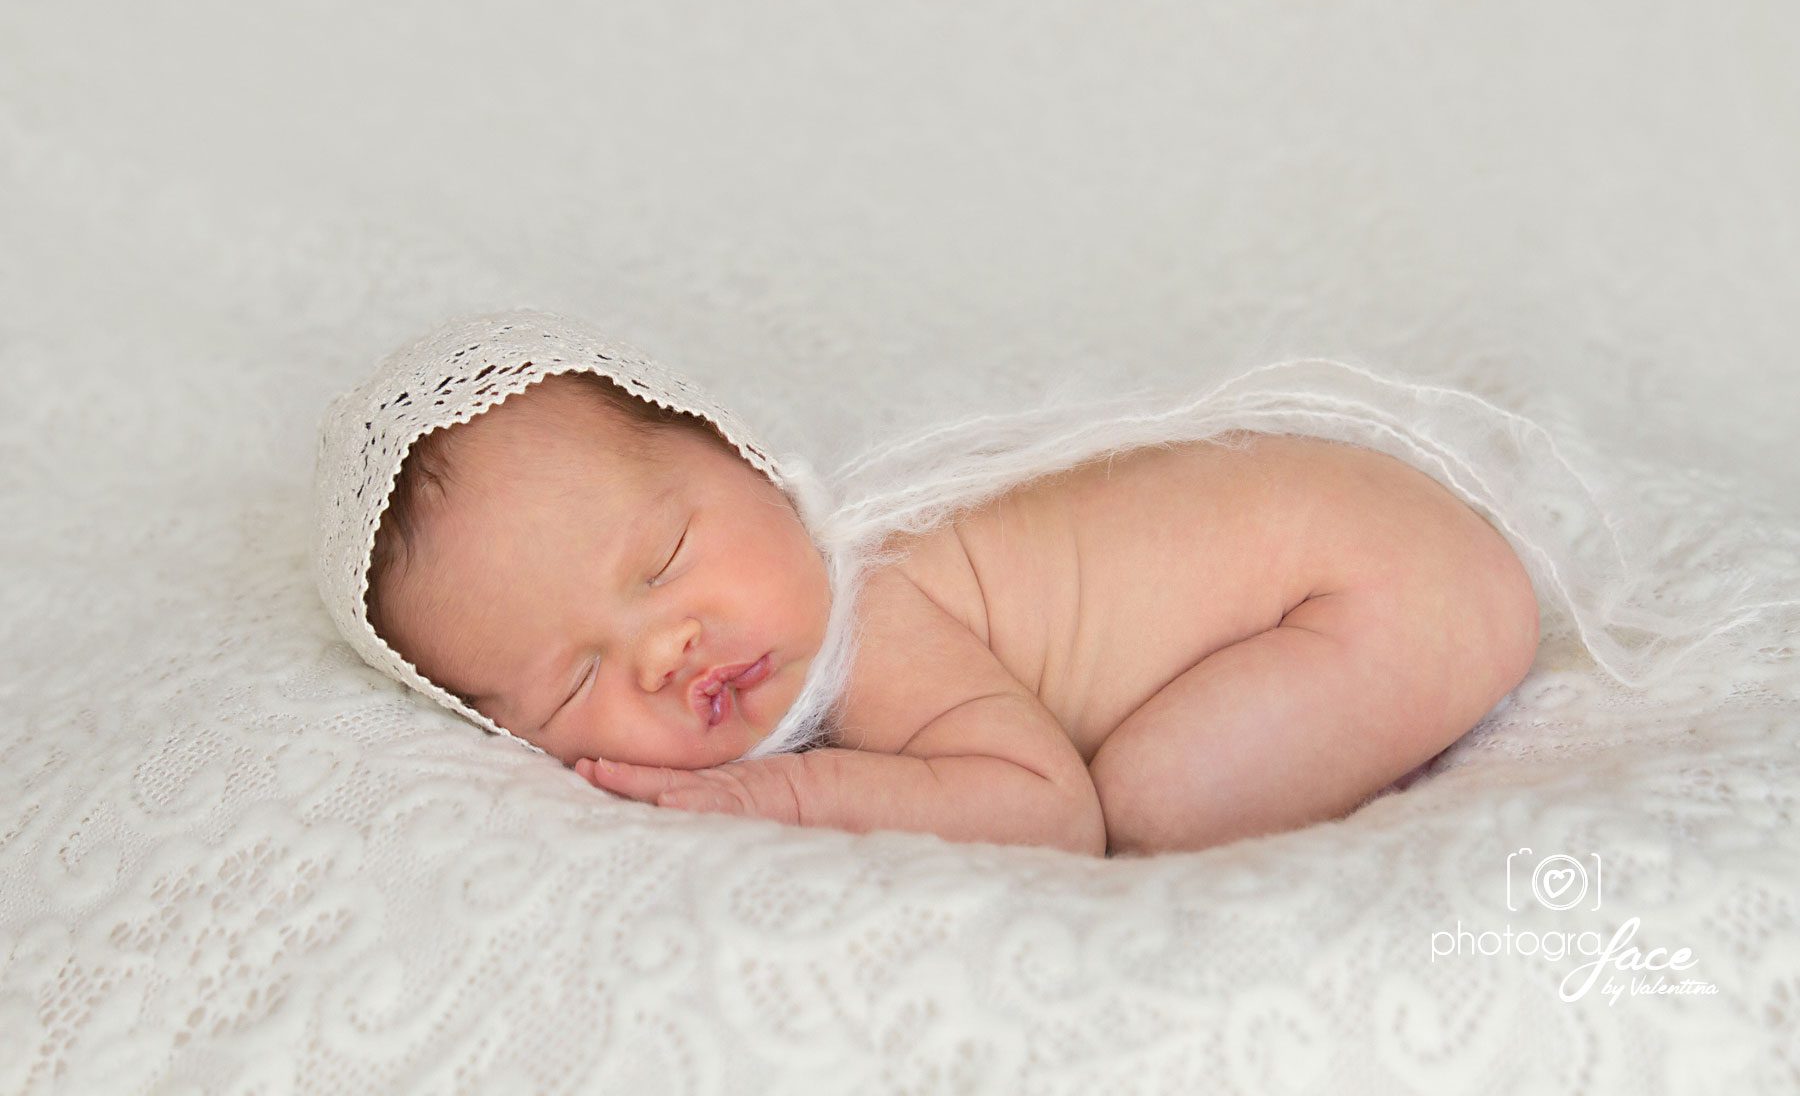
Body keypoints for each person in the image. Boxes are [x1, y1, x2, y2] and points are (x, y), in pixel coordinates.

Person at [357, 363, 1538, 858]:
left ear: (750, 462)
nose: (664, 650)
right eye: (577, 680)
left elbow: (1047, 810)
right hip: (1381, 544)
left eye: (664, 560)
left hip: (1385, 591)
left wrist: (790, 793)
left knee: (1147, 806)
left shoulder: (879, 611)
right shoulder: (811, 583)